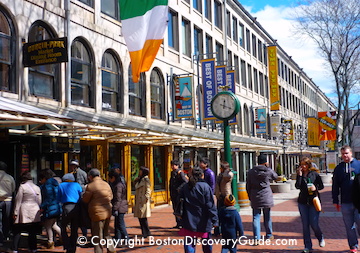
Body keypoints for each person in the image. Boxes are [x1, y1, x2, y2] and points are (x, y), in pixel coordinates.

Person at [178, 167, 218, 253]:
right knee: (206, 244)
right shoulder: (205, 187)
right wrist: (215, 220)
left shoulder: (185, 187)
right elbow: (210, 205)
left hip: (189, 220)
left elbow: (179, 201)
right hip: (204, 220)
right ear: (202, 176)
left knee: (190, 244)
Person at [332, 145, 360, 253]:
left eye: (347, 153)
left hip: (358, 202)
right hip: (345, 202)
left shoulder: (358, 165)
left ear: (351, 153)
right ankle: (353, 246)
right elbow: (335, 185)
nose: (345, 156)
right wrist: (335, 200)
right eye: (343, 154)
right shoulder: (339, 168)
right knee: (349, 226)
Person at [295, 157, 325, 253]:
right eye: (301, 164)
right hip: (302, 202)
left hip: (313, 201)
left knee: (314, 223)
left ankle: (320, 237)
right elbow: (297, 186)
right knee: (305, 225)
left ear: (308, 165)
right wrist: (299, 176)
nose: (303, 166)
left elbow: (321, 186)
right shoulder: (300, 174)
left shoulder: (314, 174)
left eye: (305, 164)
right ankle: (308, 246)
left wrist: (315, 188)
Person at [246, 154, 277, 241]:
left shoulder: (251, 171)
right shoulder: (268, 171)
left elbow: (248, 185)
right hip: (266, 195)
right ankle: (269, 235)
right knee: (267, 217)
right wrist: (269, 168)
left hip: (255, 195)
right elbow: (276, 177)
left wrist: (250, 196)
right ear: (265, 162)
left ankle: (256, 237)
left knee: (256, 217)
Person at [82, 169, 115, 253]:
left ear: (90, 176)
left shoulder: (91, 186)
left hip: (97, 213)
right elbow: (111, 196)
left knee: (97, 235)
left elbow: (85, 199)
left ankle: (99, 251)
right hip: (107, 211)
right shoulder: (106, 184)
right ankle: (111, 249)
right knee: (106, 233)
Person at [12, 171, 42, 253]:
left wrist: (15, 212)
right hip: (35, 210)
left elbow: (18, 200)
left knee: (18, 230)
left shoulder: (22, 187)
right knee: (32, 231)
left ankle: (15, 248)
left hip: (24, 210)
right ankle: (33, 248)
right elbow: (39, 201)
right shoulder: (37, 187)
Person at [57, 173, 83, 253]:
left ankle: (67, 244)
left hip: (66, 207)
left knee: (63, 227)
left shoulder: (61, 185)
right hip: (76, 207)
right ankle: (73, 246)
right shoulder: (77, 185)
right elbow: (81, 195)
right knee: (74, 228)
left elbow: (58, 198)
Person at [39, 168, 62, 249]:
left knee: (48, 226)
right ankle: (62, 238)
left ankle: (50, 242)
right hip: (57, 207)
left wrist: (42, 207)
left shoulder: (47, 186)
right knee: (54, 225)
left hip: (50, 208)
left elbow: (48, 198)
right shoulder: (56, 184)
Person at [108, 169, 128, 241]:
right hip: (121, 206)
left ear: (113, 177)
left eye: (110, 178)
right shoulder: (118, 184)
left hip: (120, 207)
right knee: (117, 224)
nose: (109, 180)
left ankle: (126, 239)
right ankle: (118, 238)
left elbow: (118, 199)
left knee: (120, 224)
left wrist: (115, 208)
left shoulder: (118, 186)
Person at [214, 161, 234, 236]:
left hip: (227, 197)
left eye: (221, 168)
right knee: (218, 213)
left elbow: (228, 176)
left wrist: (227, 170)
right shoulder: (220, 175)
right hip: (220, 196)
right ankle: (217, 230)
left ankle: (227, 229)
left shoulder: (228, 174)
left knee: (227, 213)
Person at [169, 160, 188, 229]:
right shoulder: (172, 173)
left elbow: (185, 182)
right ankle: (178, 223)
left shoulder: (180, 173)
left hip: (178, 194)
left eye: (173, 165)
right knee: (175, 208)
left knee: (179, 208)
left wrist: (179, 188)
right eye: (171, 165)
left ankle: (181, 223)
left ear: (177, 165)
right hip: (173, 194)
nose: (172, 166)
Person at [0, 161, 15, 246]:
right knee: (6, 219)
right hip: (8, 200)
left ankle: (0, 239)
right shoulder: (10, 177)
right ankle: (6, 236)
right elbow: (13, 189)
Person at [133, 166, 152, 238]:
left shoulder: (146, 180)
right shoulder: (140, 179)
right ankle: (144, 232)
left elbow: (148, 191)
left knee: (143, 218)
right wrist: (136, 180)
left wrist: (145, 198)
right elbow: (135, 186)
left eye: (140, 171)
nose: (139, 172)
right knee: (140, 218)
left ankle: (147, 232)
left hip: (142, 201)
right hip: (139, 201)